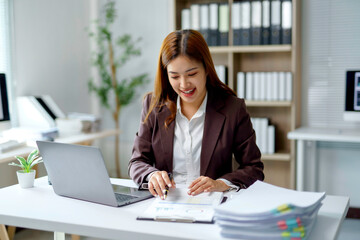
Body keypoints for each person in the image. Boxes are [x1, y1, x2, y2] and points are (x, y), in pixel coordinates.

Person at [128, 29, 264, 199]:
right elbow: (137, 162)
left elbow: (254, 168)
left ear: (207, 68)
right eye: (175, 76)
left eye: (192, 74)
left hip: (212, 203)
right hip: (166, 203)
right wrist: (152, 175)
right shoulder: (153, 105)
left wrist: (221, 183)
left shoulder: (233, 109)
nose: (184, 84)